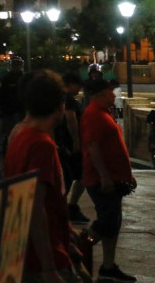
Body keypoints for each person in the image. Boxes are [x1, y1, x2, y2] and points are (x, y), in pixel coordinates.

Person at [3, 70, 78, 282]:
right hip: (44, 257)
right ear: (59, 105)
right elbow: (36, 207)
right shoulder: (41, 145)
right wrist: (48, 268)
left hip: (24, 250)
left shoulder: (18, 133)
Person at [81, 78, 137, 282]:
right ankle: (81, 247)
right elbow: (93, 147)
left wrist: (127, 176)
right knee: (107, 221)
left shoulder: (103, 113)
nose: (114, 95)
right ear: (100, 94)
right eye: (110, 92)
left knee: (113, 223)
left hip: (114, 178)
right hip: (102, 180)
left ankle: (108, 266)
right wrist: (105, 176)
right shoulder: (94, 114)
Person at [55, 72, 90, 223]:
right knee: (76, 176)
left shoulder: (63, 98)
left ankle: (68, 207)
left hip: (66, 144)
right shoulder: (67, 99)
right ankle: (66, 208)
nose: (80, 89)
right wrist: (76, 141)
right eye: (78, 86)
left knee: (75, 176)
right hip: (69, 145)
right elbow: (71, 120)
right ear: (71, 84)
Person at [0, 56, 25, 160]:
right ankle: (3, 152)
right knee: (3, 134)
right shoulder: (6, 79)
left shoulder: (24, 79)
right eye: (14, 65)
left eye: (18, 65)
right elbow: (0, 96)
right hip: (8, 112)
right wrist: (2, 109)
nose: (16, 67)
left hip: (21, 112)